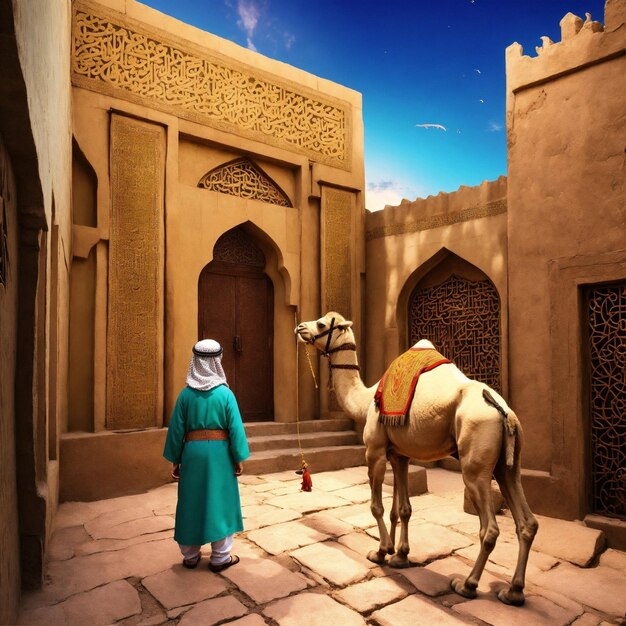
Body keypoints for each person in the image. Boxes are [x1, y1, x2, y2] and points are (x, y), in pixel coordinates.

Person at [163, 339, 250, 572]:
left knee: (191, 500)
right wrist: (238, 456)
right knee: (220, 501)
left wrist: (175, 459)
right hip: (220, 455)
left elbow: (176, 430)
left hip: (192, 453)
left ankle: (190, 556)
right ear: (217, 360)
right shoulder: (225, 394)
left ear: (196, 361)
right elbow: (235, 429)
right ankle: (220, 558)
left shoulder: (185, 396)